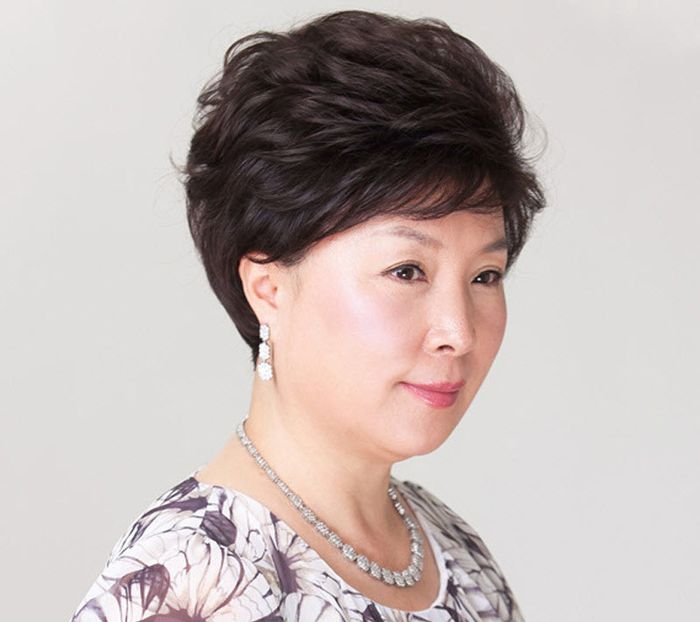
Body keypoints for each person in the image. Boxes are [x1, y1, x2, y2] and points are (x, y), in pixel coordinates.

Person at [70, 9, 546, 621]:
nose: (458, 332)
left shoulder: (451, 550)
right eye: (407, 271)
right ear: (268, 287)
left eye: (485, 276)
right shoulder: (190, 581)